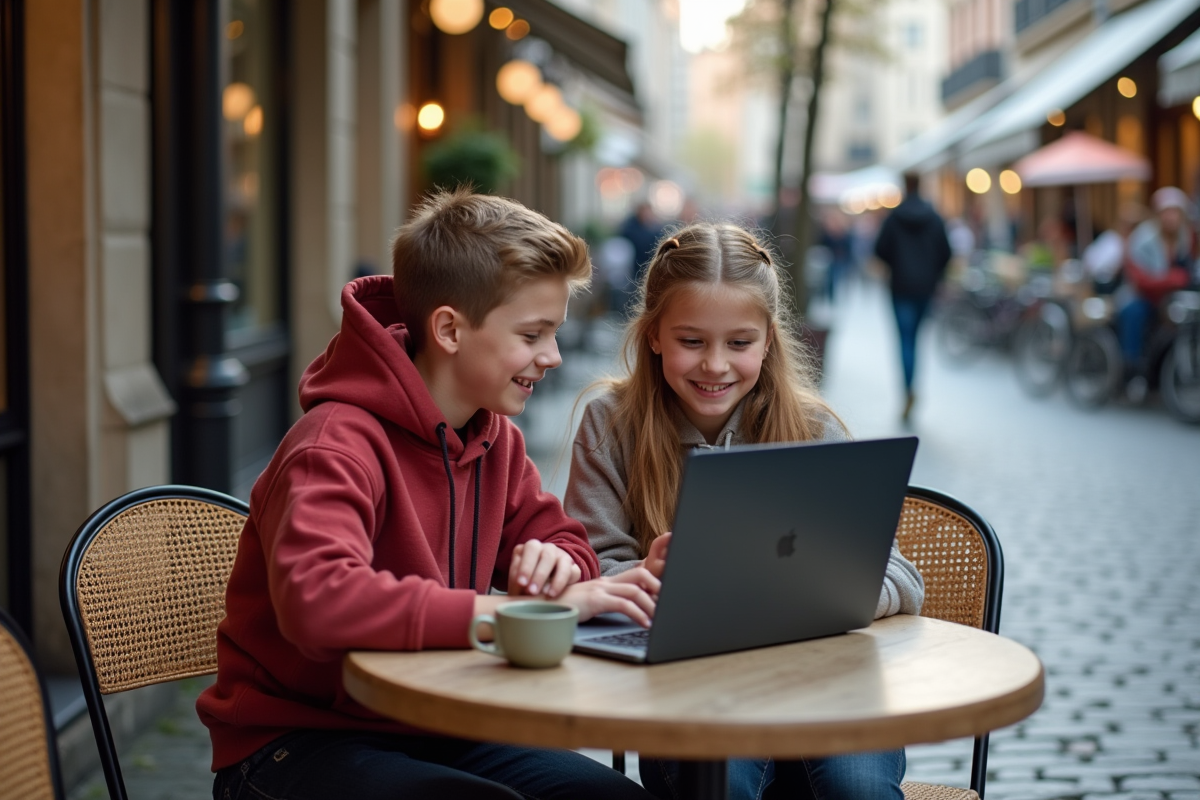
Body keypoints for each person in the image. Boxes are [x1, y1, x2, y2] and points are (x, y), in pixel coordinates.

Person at [197, 189, 660, 800]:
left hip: (437, 717)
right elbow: (319, 601)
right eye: (532, 333)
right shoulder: (333, 445)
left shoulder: (494, 438)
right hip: (291, 745)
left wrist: (557, 565)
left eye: (553, 333)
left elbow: (565, 539)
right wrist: (511, 615)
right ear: (448, 329)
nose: (550, 356)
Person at [564, 222, 924, 800]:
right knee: (721, 785)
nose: (715, 365)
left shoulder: (813, 429)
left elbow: (900, 574)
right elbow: (590, 571)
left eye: (738, 343)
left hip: (827, 684)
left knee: (857, 792)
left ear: (768, 340)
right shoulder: (611, 423)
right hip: (691, 694)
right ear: (653, 334)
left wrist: (828, 595)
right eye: (691, 341)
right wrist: (647, 579)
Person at [873, 173, 952, 422]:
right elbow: (947, 252)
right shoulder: (935, 217)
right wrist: (933, 274)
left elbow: (879, 250)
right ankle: (912, 387)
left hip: (900, 288)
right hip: (925, 289)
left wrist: (896, 264)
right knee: (917, 339)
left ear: (904, 187)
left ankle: (907, 390)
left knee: (905, 341)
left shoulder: (894, 218)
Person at [1118, 186, 1197, 398]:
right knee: (1136, 313)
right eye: (1167, 212)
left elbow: (1188, 268)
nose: (1171, 217)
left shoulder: (1185, 237)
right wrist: (1173, 278)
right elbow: (1140, 279)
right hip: (1141, 297)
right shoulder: (1142, 239)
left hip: (1170, 299)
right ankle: (1132, 369)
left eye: (1175, 212)